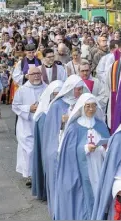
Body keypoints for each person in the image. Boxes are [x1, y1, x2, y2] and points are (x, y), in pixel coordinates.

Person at [32, 75, 85, 216]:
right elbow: (52, 131)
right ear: (70, 89)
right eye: (78, 89)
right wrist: (63, 122)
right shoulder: (57, 105)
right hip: (59, 149)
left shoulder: (82, 102)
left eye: (81, 89)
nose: (80, 92)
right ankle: (58, 212)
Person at [55, 93, 110, 220]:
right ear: (81, 107)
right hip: (81, 170)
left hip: (98, 166)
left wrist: (103, 149)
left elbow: (108, 145)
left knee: (98, 191)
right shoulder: (74, 128)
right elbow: (67, 153)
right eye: (88, 106)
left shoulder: (100, 125)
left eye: (94, 106)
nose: (91, 109)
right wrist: (85, 148)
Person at [12, 67, 46, 187]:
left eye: (38, 73)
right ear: (28, 76)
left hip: (42, 124)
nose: (36, 76)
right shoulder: (22, 90)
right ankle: (31, 175)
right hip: (26, 125)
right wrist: (28, 109)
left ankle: (42, 174)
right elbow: (15, 106)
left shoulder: (46, 88)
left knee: (41, 148)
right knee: (29, 150)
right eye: (33, 74)